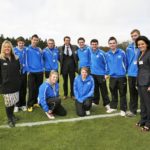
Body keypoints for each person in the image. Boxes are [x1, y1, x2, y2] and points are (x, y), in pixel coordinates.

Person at [0, 40, 21, 127]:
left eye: (8, 47)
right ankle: (9, 119)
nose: (7, 48)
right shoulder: (0, 59)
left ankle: (12, 115)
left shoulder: (16, 58)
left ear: (11, 48)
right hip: (5, 86)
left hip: (15, 84)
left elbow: (18, 70)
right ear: (3, 48)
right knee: (8, 103)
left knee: (13, 101)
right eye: (5, 47)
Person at [105, 37, 127, 116]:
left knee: (122, 93)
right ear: (109, 44)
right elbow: (107, 65)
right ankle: (113, 107)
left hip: (121, 77)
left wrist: (124, 72)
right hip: (112, 77)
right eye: (110, 43)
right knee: (113, 93)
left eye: (113, 43)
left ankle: (123, 109)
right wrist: (107, 73)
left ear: (116, 44)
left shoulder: (122, 52)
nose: (112, 44)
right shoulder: (107, 54)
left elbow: (126, 63)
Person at [90, 39, 110, 112]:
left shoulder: (102, 53)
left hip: (101, 74)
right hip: (93, 74)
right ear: (91, 45)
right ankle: (95, 101)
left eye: (95, 44)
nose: (94, 45)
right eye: (93, 44)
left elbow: (107, 63)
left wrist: (106, 73)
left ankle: (107, 103)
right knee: (95, 89)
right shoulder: (90, 52)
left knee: (103, 90)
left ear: (97, 45)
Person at [135, 36, 150, 132]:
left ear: (147, 44)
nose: (140, 46)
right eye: (139, 44)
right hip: (140, 82)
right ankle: (143, 120)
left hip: (147, 83)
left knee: (148, 104)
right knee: (143, 103)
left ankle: (149, 123)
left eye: (142, 44)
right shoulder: (140, 53)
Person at [26, 34, 44, 112]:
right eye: (34, 40)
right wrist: (28, 70)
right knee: (31, 89)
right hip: (31, 72)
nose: (35, 41)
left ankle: (35, 102)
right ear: (31, 40)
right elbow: (25, 60)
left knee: (38, 88)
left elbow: (41, 59)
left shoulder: (39, 50)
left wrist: (42, 69)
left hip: (39, 72)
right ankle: (29, 105)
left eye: (36, 40)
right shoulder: (27, 49)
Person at [126, 29, 140, 117]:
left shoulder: (144, 46)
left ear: (139, 35)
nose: (133, 37)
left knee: (144, 94)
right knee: (133, 93)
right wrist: (127, 71)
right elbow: (127, 61)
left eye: (135, 35)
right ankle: (132, 111)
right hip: (131, 74)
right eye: (132, 36)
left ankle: (145, 111)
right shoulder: (128, 48)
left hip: (141, 74)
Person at [13, 36, 27, 112]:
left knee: (23, 89)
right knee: (17, 89)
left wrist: (39, 49)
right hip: (16, 73)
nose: (21, 44)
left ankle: (23, 104)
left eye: (22, 43)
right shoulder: (13, 50)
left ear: (24, 43)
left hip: (24, 72)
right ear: (17, 43)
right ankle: (16, 105)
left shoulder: (26, 49)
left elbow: (32, 48)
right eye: (19, 43)